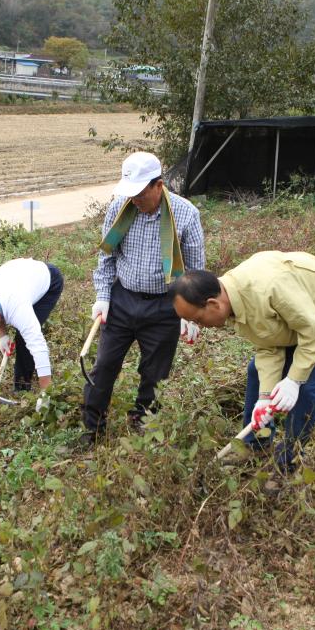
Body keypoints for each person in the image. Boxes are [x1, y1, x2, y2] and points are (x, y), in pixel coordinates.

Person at [170, 251, 315, 474]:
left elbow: (312, 332)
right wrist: (265, 398)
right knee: (257, 372)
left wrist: (293, 380)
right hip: (303, 318)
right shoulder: (233, 300)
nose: (201, 326)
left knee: (306, 390)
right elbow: (269, 344)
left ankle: (287, 464)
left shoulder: (269, 288)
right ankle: (256, 446)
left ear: (213, 304)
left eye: (197, 320)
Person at [82, 151, 206, 444]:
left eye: (140, 193)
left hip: (165, 306)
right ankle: (92, 428)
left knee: (154, 373)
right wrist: (103, 296)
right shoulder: (119, 209)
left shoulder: (185, 214)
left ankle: (143, 421)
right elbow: (106, 258)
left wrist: (191, 313)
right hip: (122, 300)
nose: (135, 200)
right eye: (130, 193)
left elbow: (196, 271)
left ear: (158, 185)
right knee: (104, 367)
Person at [0, 258, 63, 394]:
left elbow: (38, 346)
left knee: (24, 340)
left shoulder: (17, 307)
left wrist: (46, 392)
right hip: (18, 274)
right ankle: (21, 387)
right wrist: (2, 335)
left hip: (49, 280)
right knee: (19, 327)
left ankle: (21, 388)